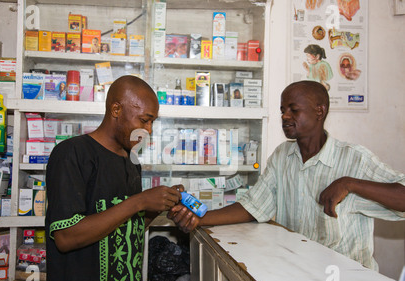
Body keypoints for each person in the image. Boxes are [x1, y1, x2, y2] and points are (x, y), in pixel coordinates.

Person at [169, 80, 405, 271]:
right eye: (282, 110)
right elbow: (253, 206)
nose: (284, 116)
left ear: (319, 112)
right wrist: (200, 218)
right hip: (299, 271)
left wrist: (349, 184)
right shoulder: (283, 156)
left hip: (348, 280)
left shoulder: (353, 159)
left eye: (294, 110)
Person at [45, 75, 183, 281]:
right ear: (116, 109)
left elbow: (128, 230)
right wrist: (139, 202)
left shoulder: (130, 161)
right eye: (144, 120)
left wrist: (157, 206)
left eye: (152, 122)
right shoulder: (72, 154)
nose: (148, 129)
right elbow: (65, 237)